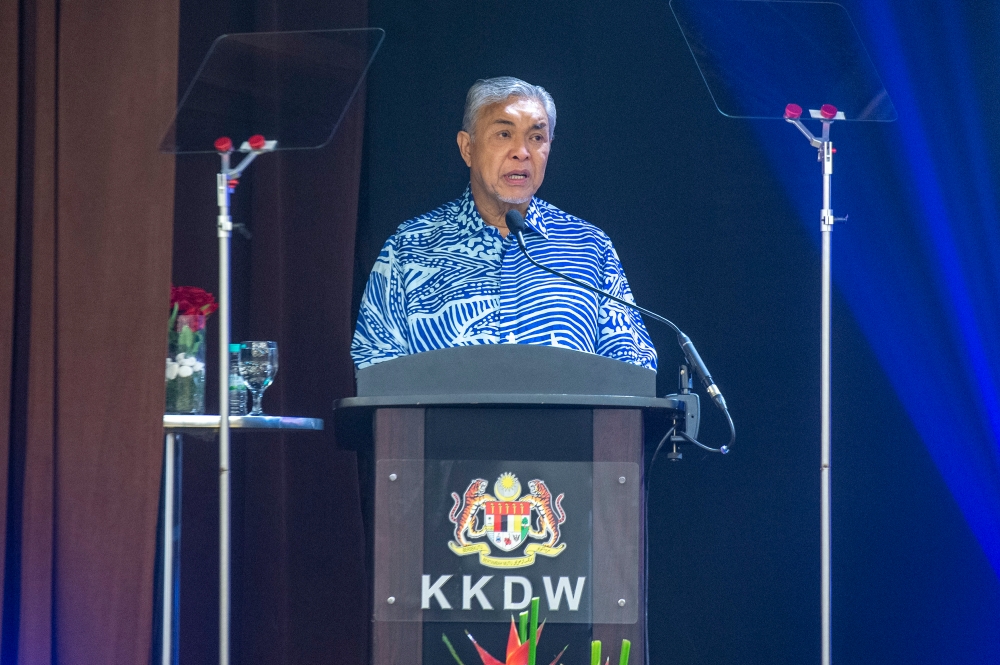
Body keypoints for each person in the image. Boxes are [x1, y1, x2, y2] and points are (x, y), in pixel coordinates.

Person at [351, 76, 657, 371]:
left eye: (536, 137)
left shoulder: (589, 247)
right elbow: (375, 364)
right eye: (504, 134)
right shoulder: (410, 247)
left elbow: (633, 366)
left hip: (565, 426)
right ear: (467, 148)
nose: (521, 153)